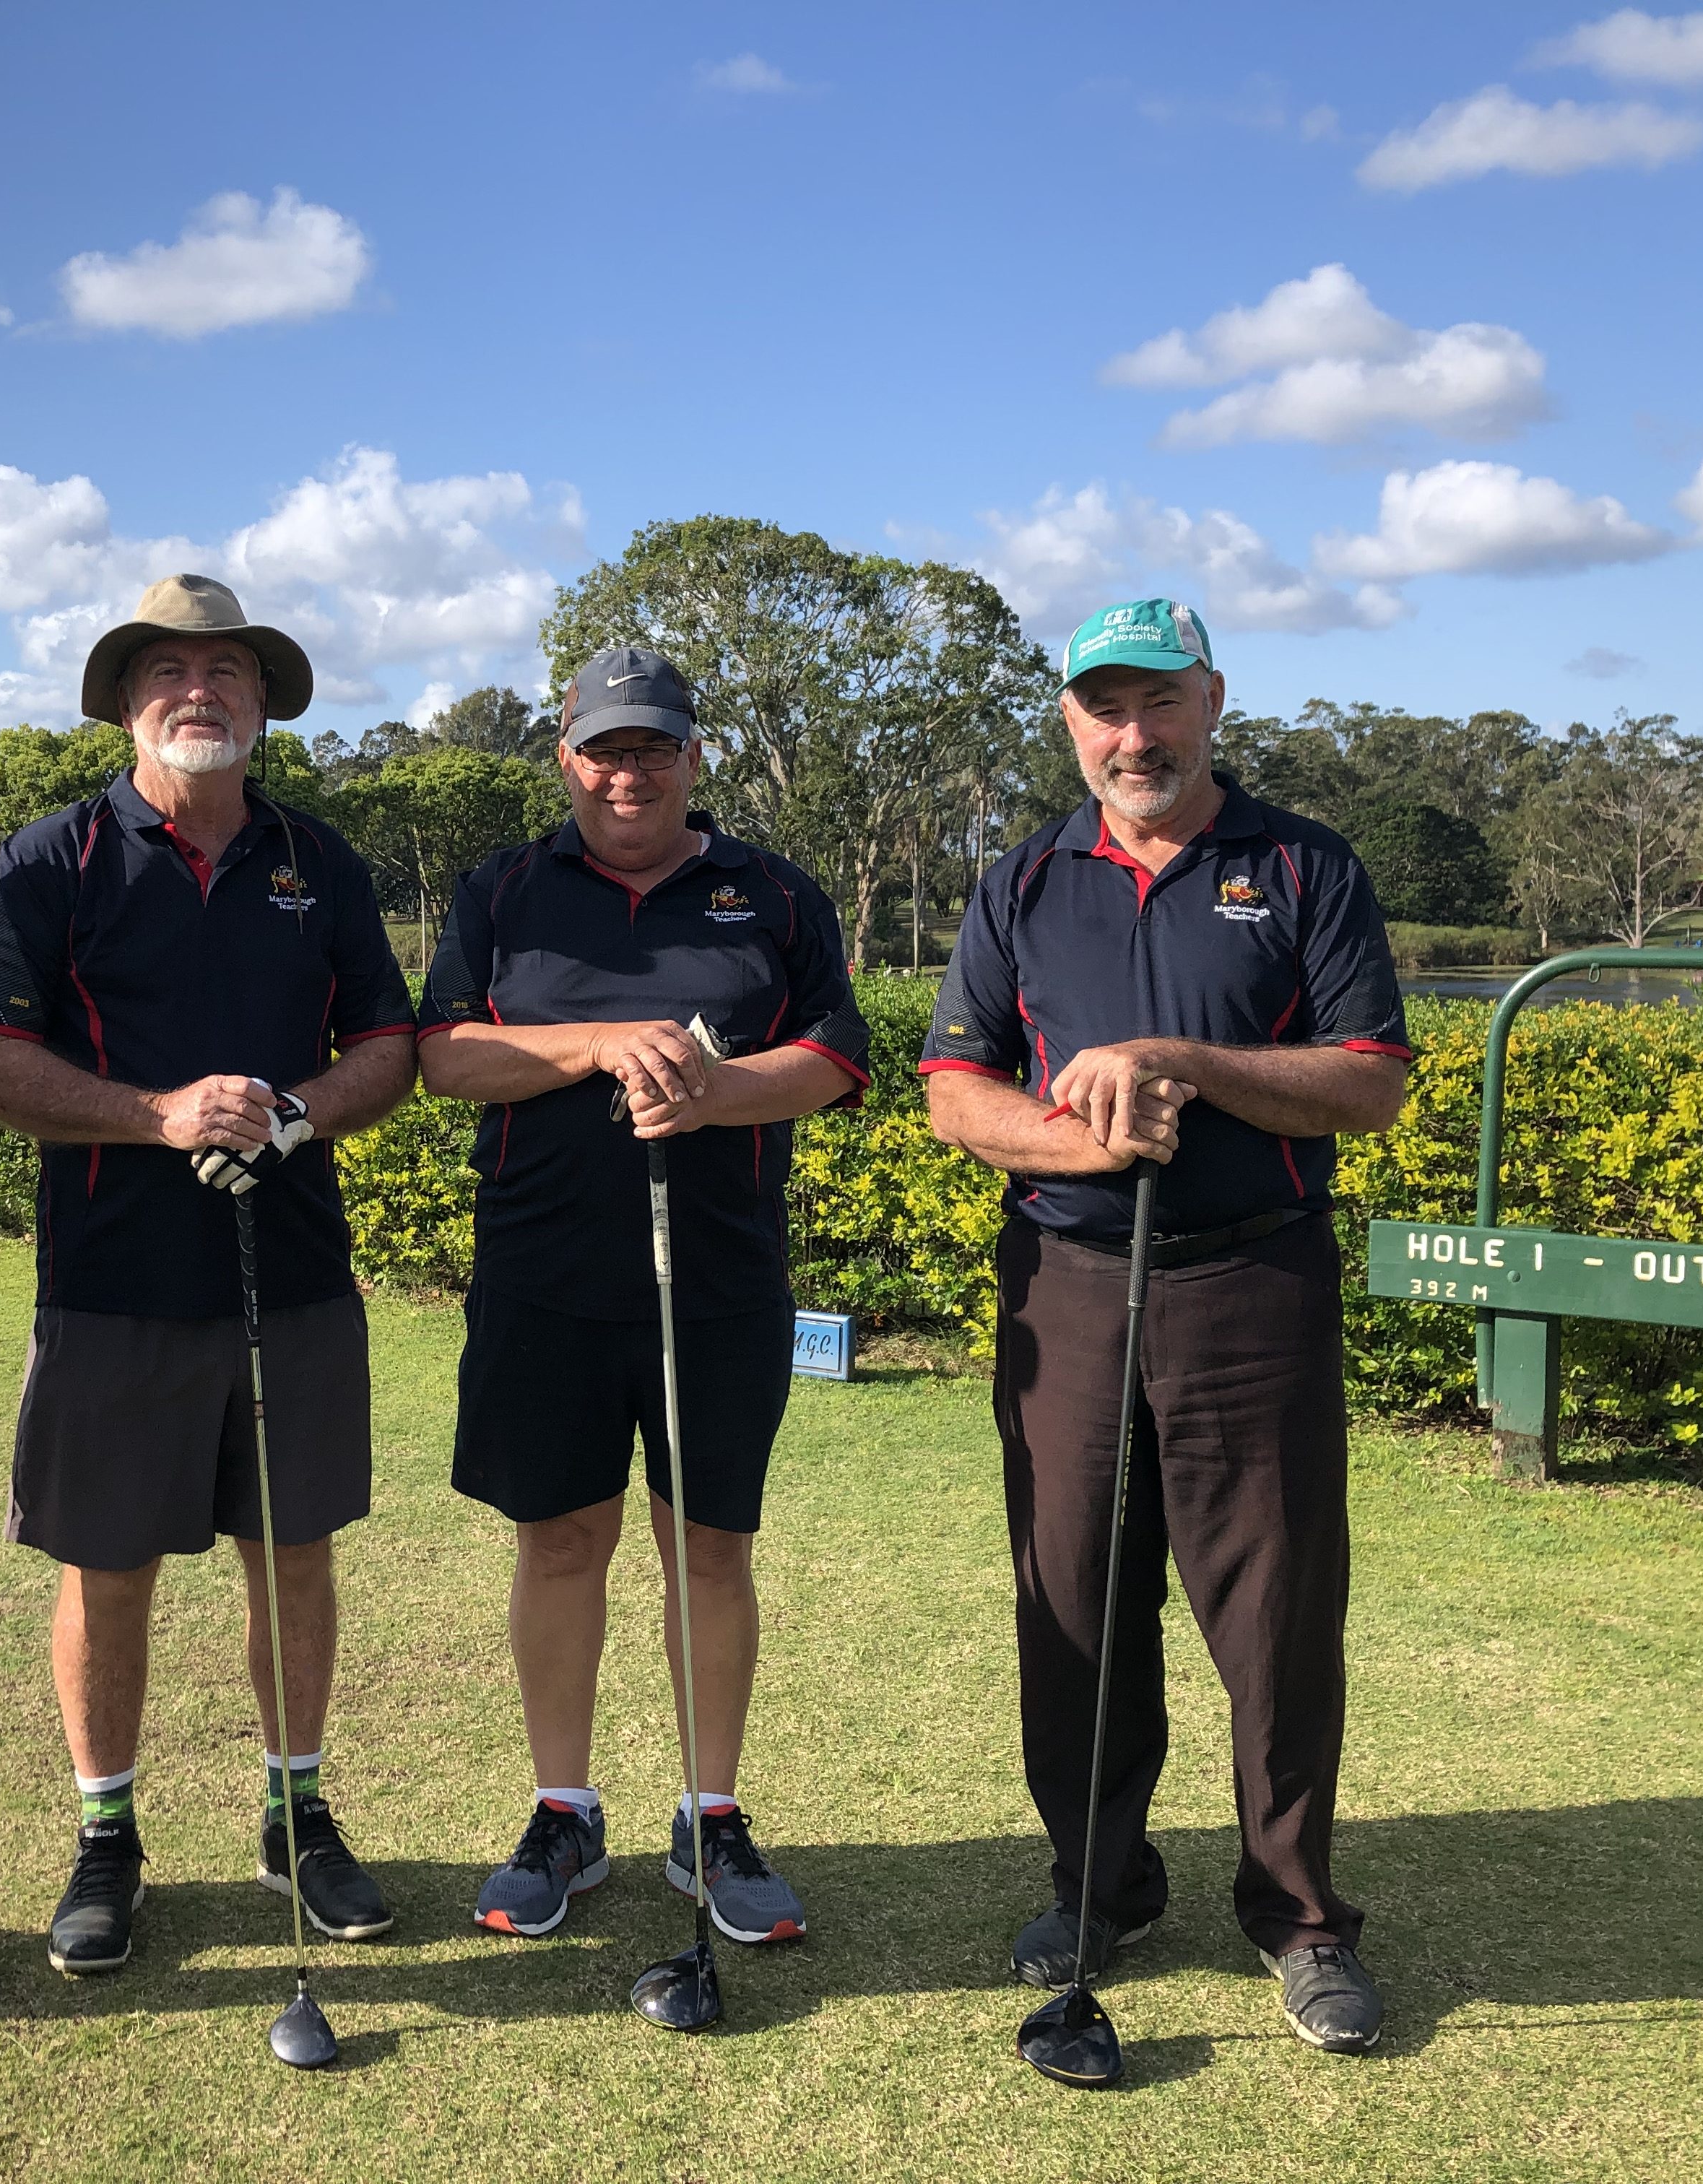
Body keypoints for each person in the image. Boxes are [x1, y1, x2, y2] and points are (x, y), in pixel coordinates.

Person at [919, 597, 1413, 2055]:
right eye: (1105, 708)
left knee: (1275, 1613)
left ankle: (1299, 1914)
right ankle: (1099, 1888)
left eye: (1160, 702)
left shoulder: (1305, 865)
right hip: (1066, 1286)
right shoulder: (1022, 881)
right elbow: (957, 1091)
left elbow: (1371, 1080)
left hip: (1252, 1286)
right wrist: (1082, 1137)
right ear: (1072, 722)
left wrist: (1174, 1061)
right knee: (1072, 1596)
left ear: (1213, 701)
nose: (1133, 736)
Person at [0, 575, 419, 1977]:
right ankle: (107, 1836)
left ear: (264, 699)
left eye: (227, 670)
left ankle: (298, 1814)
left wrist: (294, 1116)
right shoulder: (53, 858)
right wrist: (158, 1116)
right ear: (125, 703)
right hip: (113, 1281)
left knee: (295, 1556)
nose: (198, 690)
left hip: (297, 1271)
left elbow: (388, 1047)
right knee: (108, 1569)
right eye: (167, 670)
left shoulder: (319, 861)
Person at [417, 645, 870, 1947]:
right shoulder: (504, 890)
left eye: (653, 749)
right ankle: (563, 1809)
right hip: (542, 1277)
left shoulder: (771, 893)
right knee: (560, 1542)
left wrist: (717, 1090)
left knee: (708, 1546)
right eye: (605, 751)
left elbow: (836, 1056)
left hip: (717, 1280)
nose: (629, 774)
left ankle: (710, 1816)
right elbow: (443, 1054)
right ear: (567, 759)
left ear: (692, 756)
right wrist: (599, 1046)